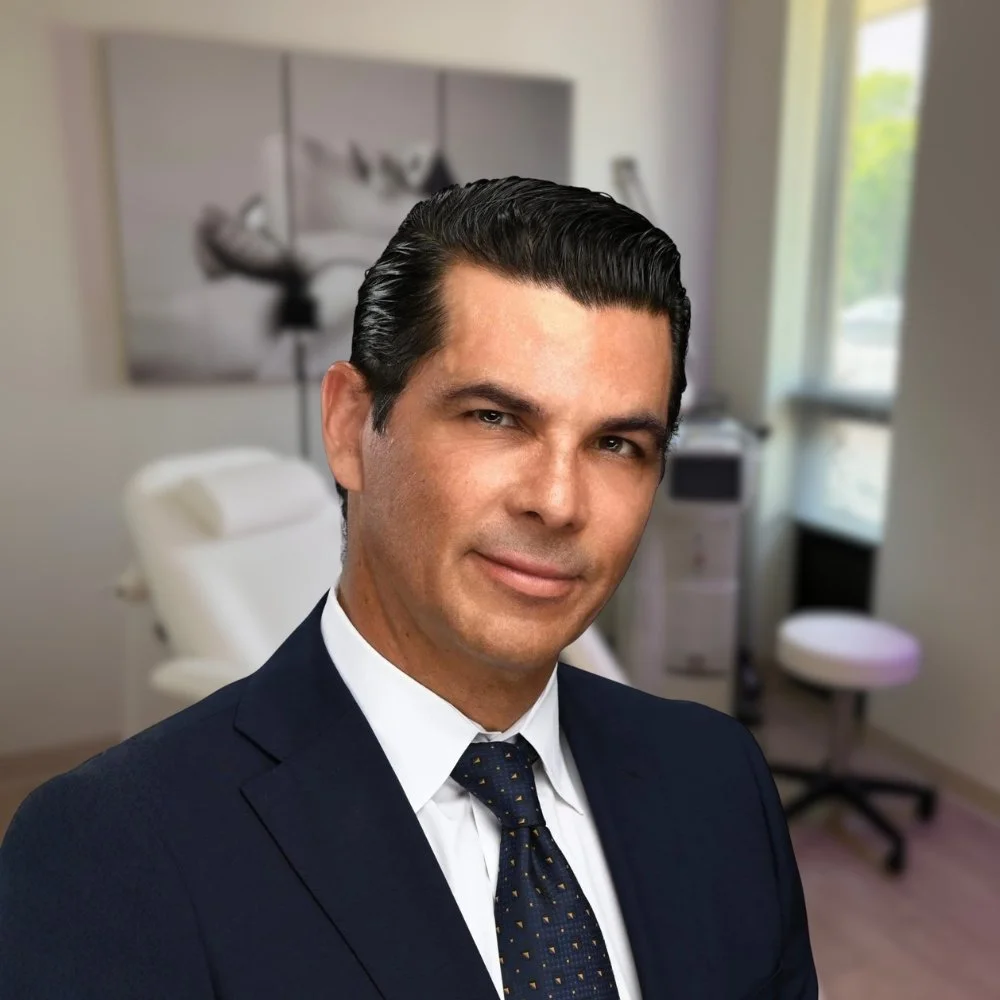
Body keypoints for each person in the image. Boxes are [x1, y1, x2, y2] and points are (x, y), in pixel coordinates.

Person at [0, 177, 818, 999]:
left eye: (615, 443)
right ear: (352, 427)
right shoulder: (109, 851)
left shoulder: (718, 776)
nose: (560, 502)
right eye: (495, 418)